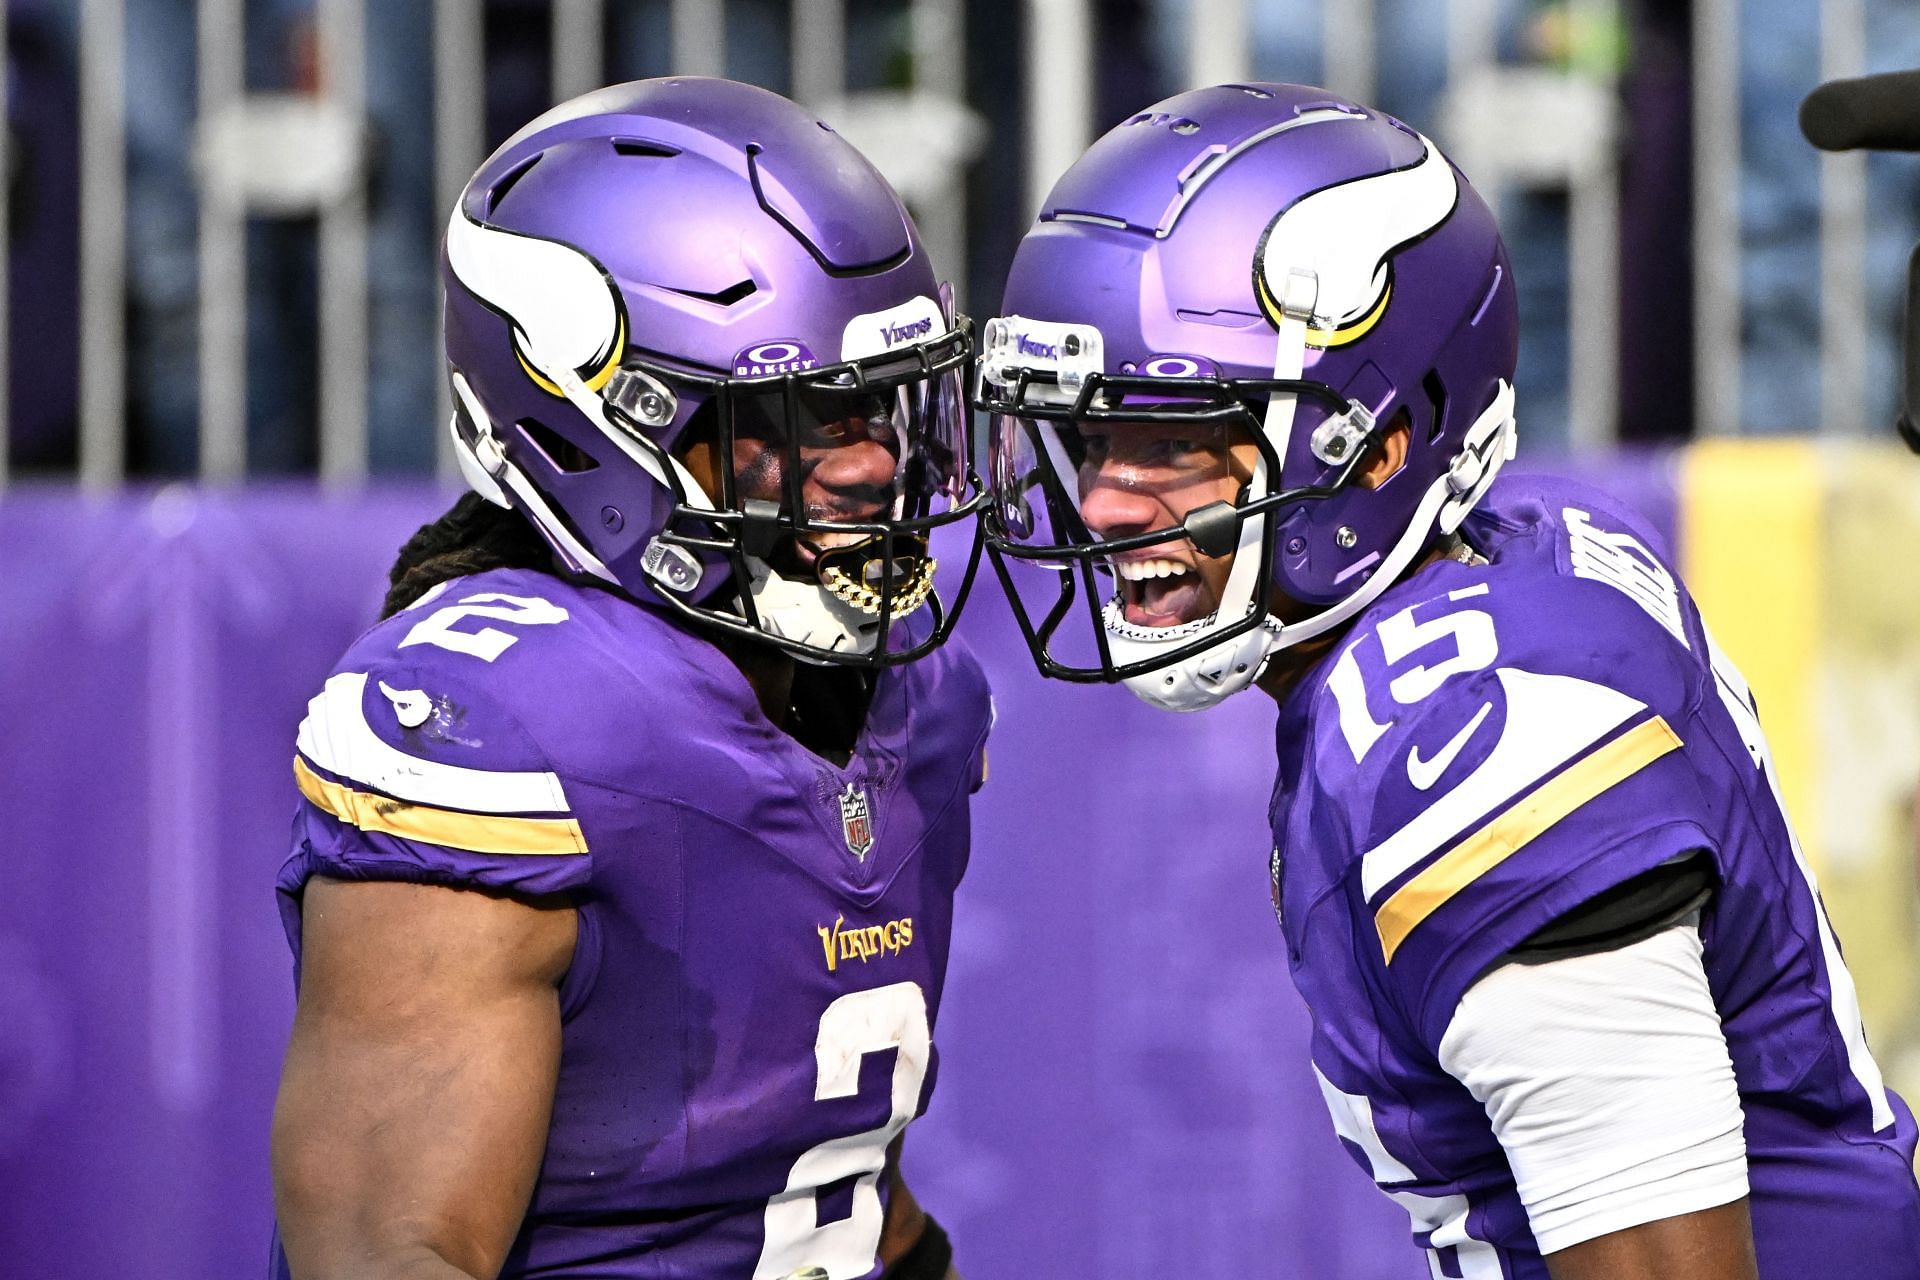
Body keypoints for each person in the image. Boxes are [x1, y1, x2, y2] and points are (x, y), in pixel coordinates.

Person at [977, 82, 1920, 1278]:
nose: (1106, 502)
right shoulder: (1506, 555)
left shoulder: (1479, 734)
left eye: (1174, 438)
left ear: (1379, 439)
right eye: (1090, 440)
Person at [270, 77, 988, 1280]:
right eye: (791, 420)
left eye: (880, 407)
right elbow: (389, 1249)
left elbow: (831, 1170)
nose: (869, 463)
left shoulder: (917, 698)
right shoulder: (510, 719)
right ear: (600, 427)